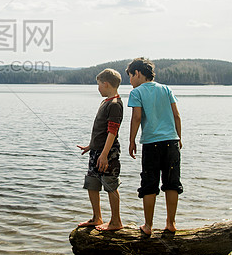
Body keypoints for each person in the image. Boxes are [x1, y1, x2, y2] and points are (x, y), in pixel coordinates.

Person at [126, 57, 182, 236]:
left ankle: (148, 226)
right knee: (172, 183)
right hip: (171, 142)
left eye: (130, 76)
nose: (130, 81)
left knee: (150, 184)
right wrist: (178, 137)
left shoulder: (137, 92)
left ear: (137, 73)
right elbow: (177, 116)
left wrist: (131, 140)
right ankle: (171, 223)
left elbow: (136, 118)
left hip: (151, 144)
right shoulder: (166, 89)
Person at [76, 68, 124, 231]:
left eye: (99, 85)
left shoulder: (115, 104)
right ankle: (97, 218)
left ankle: (116, 221)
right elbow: (100, 130)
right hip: (97, 151)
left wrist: (104, 155)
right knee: (92, 183)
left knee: (110, 184)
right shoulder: (105, 102)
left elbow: (112, 131)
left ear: (106, 84)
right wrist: (91, 146)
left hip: (108, 153)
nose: (98, 88)